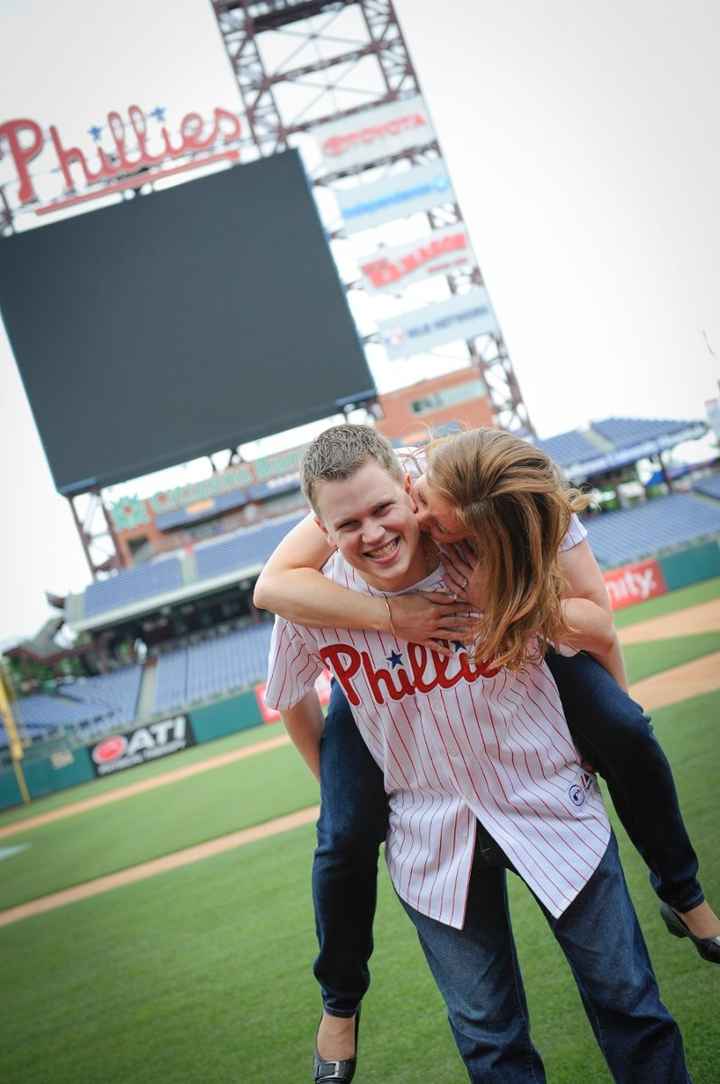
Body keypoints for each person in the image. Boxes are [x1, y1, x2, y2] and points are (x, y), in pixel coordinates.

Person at [261, 423, 692, 1084]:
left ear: (409, 490)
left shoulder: (483, 544)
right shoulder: (311, 597)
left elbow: (589, 614)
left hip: (550, 804)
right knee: (491, 1044)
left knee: (630, 1006)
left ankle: (686, 894)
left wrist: (600, 714)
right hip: (430, 836)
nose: (372, 533)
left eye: (383, 510)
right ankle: (339, 1009)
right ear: (321, 528)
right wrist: (348, 790)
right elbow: (290, 688)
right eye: (348, 524)